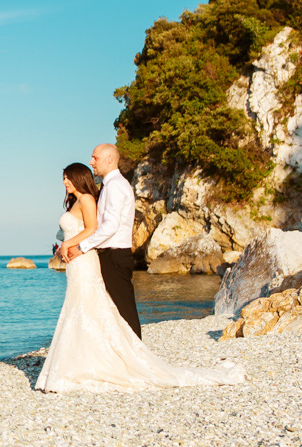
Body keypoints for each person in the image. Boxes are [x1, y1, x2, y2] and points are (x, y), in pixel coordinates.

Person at [36, 161, 245, 393]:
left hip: (85, 261)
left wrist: (69, 243)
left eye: (67, 177)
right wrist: (62, 247)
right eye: (63, 177)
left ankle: (95, 362)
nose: (64, 182)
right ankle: (77, 361)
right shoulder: (75, 201)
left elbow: (93, 229)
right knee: (79, 307)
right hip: (76, 263)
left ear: (78, 178)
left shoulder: (86, 199)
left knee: (87, 306)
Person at [63, 143, 140, 337]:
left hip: (115, 254)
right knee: (113, 311)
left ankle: (138, 357)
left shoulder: (115, 185)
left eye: (95, 158)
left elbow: (110, 226)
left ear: (110, 159)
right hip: (108, 255)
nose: (91, 162)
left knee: (124, 310)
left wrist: (82, 247)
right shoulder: (108, 185)